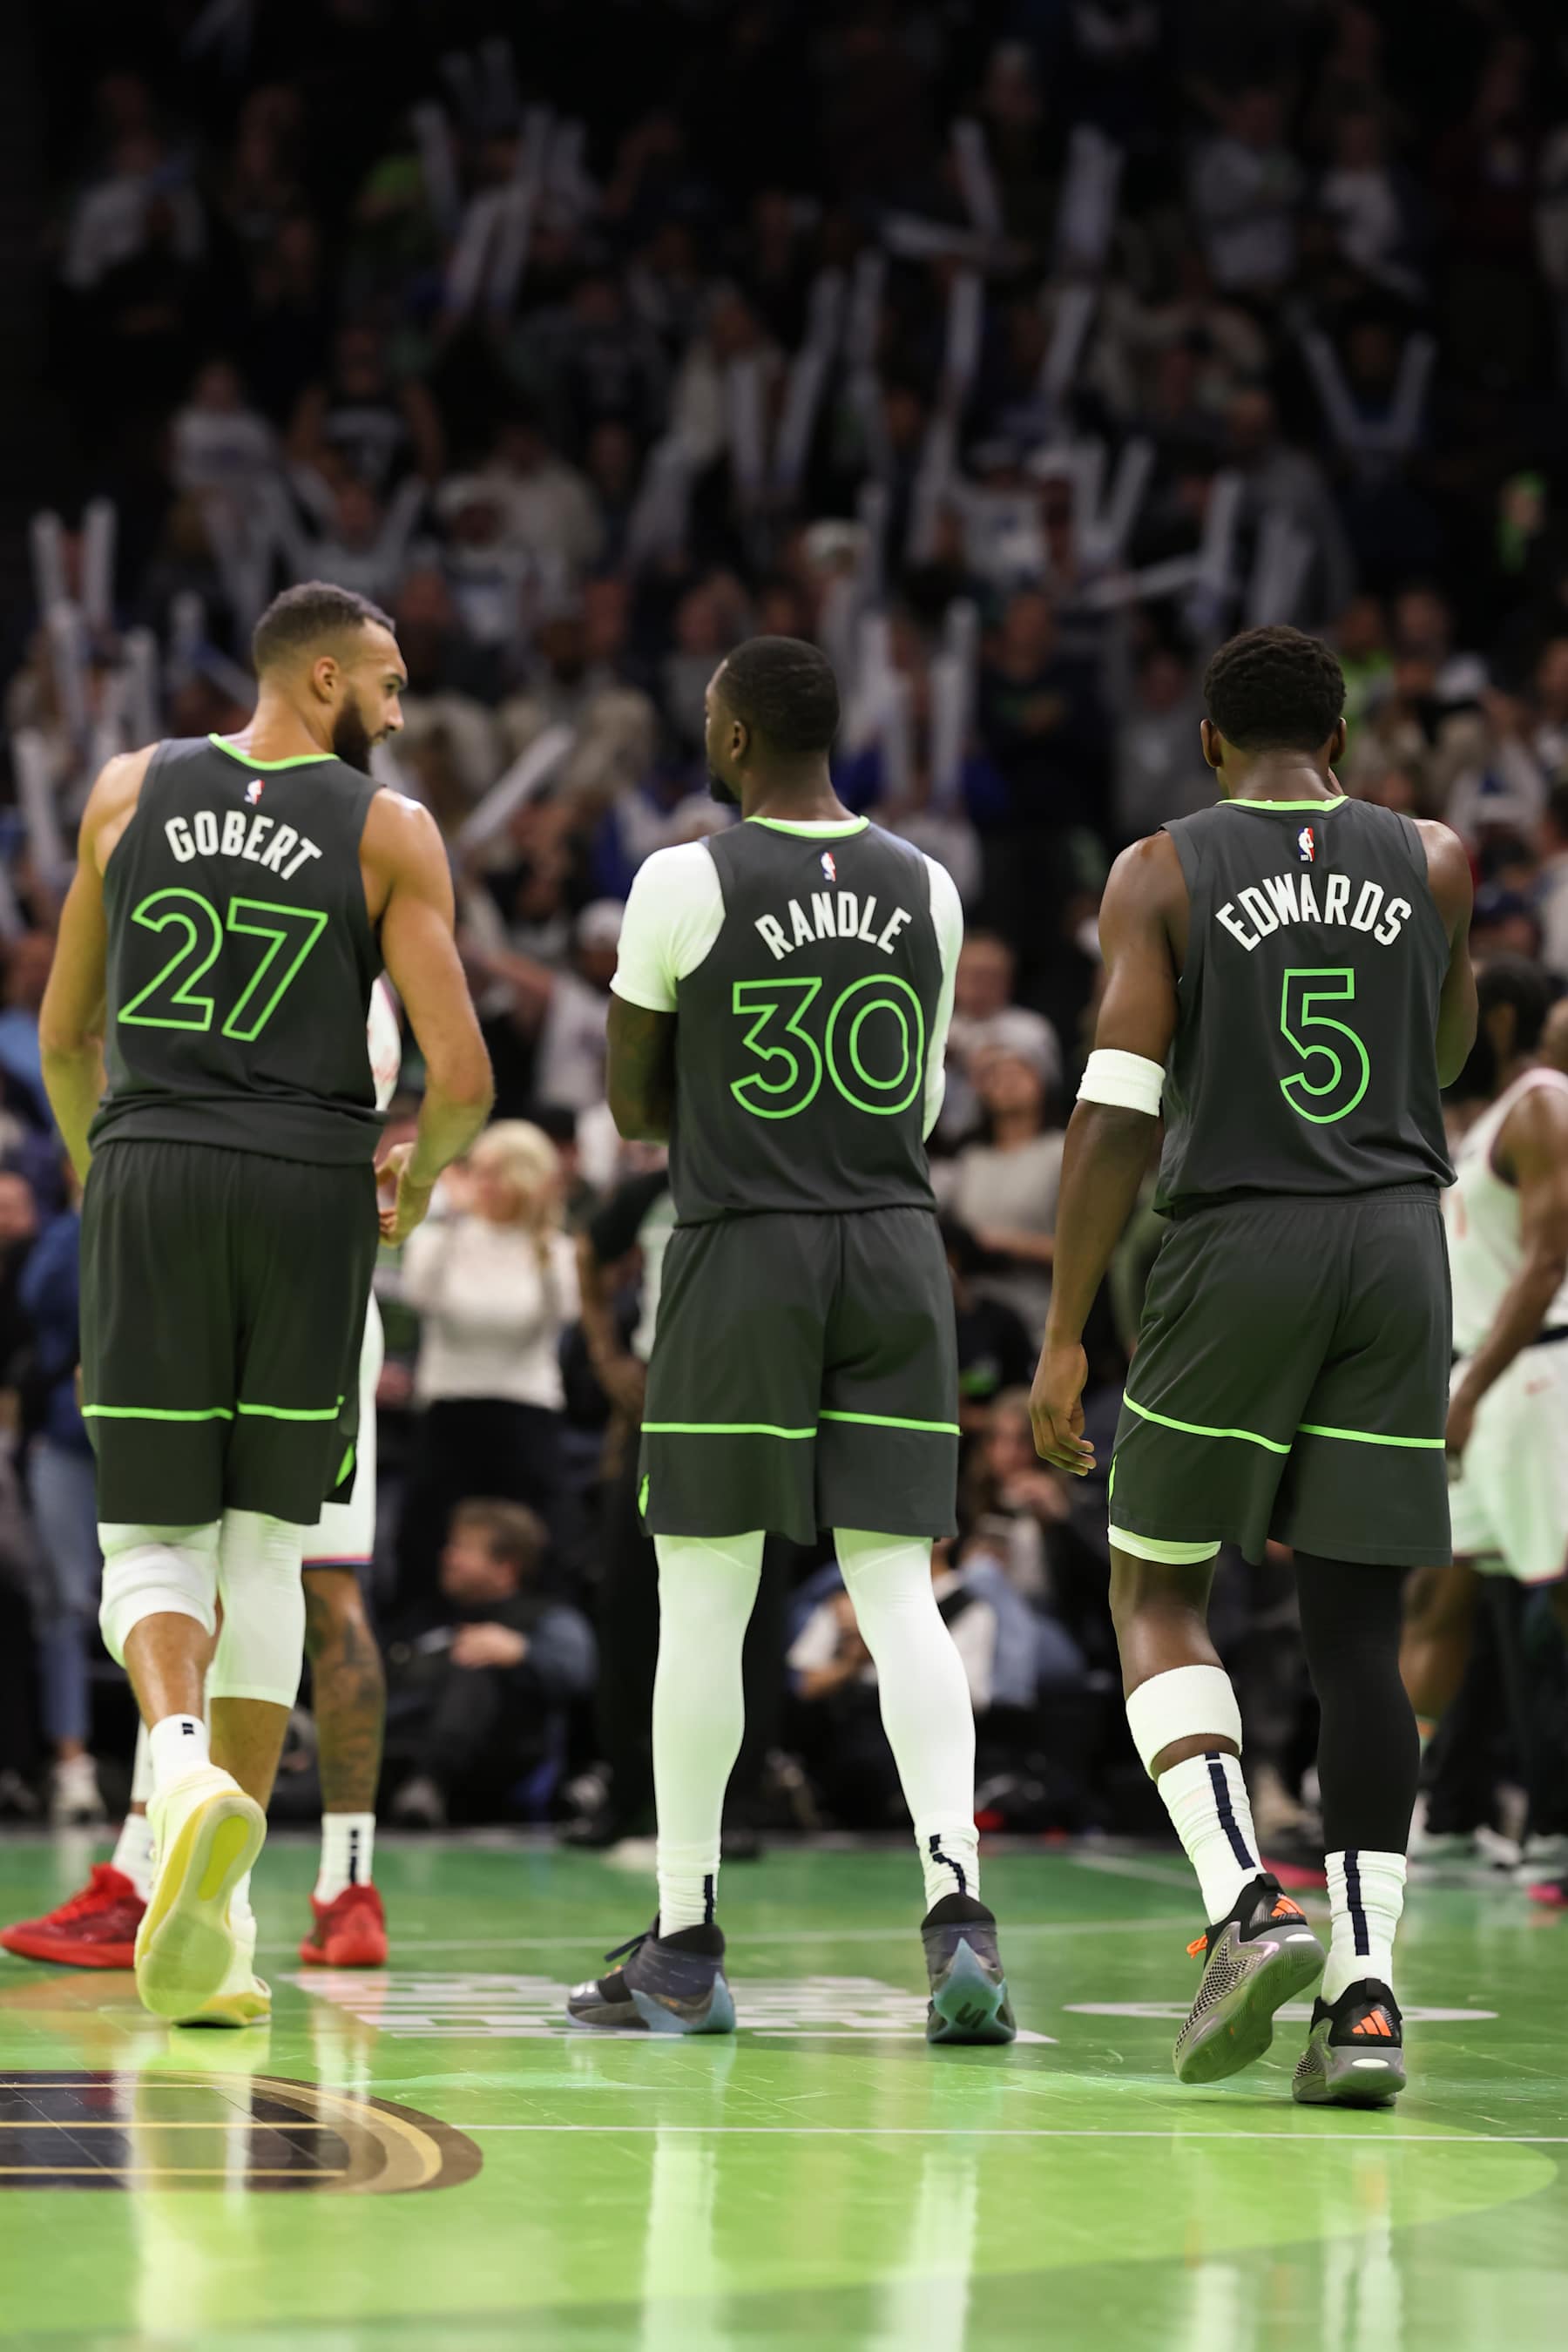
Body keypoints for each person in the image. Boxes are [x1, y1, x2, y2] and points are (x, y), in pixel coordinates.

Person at [1031, 624, 1476, 2107]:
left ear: (1211, 745)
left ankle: (1245, 1904)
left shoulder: (1162, 869)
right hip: (1402, 1247)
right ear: (1339, 739)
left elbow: (1112, 1113)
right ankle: (1366, 2005)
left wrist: (1064, 1327)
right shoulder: (1437, 857)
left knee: (1156, 1587)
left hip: (1241, 1242)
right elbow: (1451, 1046)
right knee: (1359, 1638)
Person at [37, 579, 492, 2024]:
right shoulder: (387, 832)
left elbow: (64, 1033)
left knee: (144, 1537)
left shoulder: (125, 790)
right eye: (388, 682)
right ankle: (219, 1924)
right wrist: (411, 1187)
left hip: (156, 1167)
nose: (400, 709)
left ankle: (176, 1773)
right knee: (269, 1551)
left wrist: (95, 1168)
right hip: (309, 1194)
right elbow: (463, 1078)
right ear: (316, 680)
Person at [565, 634, 1014, 2044]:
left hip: (744, 1245)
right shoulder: (930, 887)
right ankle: (960, 1914)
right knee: (900, 1586)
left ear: (739, 737)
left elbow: (638, 1109)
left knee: (706, 1597)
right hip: (892, 1244)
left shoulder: (684, 878)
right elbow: (924, 1096)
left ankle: (686, 1940)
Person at [3, 980, 408, 1976]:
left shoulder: (175, 908)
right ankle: (343, 1885)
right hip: (323, 1262)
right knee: (315, 1583)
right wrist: (412, 1183)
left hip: (184, 1250)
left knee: (182, 1566)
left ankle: (158, 1869)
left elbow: (72, 1057)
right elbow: (450, 1084)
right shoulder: (362, 940)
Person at [1400, 957, 1568, 1890]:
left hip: (1539, 1373)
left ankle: (1551, 1823)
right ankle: (1425, 1815)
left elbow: (1547, 1264)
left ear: (1499, 1017)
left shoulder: (1544, 1100)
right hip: (1484, 1380)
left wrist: (1468, 1393)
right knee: (1441, 1596)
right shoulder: (1485, 1122)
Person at [393, 1119, 578, 1626]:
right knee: (428, 1538)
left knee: (536, 1539)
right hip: (450, 1406)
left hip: (526, 1409)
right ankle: (422, 1646)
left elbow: (564, 1314)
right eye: (477, 1171)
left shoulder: (555, 1250)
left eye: (497, 1173)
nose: (483, 1184)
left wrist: (542, 1229)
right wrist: (449, 1215)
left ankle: (527, 1640)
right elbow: (419, 1295)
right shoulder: (440, 1237)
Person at [388, 1501, 596, 1826]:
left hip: (493, 1771)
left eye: (463, 1549)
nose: (449, 1557)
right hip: (395, 1754)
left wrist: (523, 1653)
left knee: (473, 1668)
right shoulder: (429, 1618)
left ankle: (432, 1781)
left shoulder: (546, 1619)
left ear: (505, 1567)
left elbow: (580, 1673)